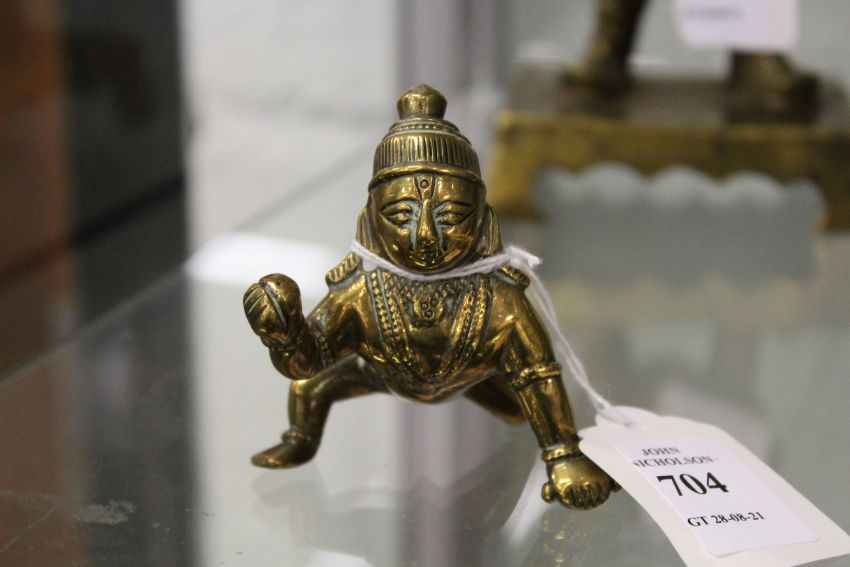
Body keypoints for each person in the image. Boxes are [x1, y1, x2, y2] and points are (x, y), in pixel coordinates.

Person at [243, 84, 616, 510]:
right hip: (379, 371)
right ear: (371, 218)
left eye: (451, 216)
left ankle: (547, 440)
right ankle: (301, 437)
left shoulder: (500, 301)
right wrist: (287, 335)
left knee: (520, 404)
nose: (425, 236)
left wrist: (562, 455)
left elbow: (538, 374)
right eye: (401, 215)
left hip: (477, 376)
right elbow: (310, 361)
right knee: (309, 385)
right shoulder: (360, 295)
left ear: (483, 219)